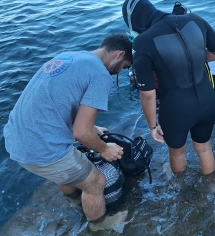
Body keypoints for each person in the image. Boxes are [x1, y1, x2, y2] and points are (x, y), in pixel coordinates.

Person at [3, 34, 132, 221]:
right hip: (40, 149)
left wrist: (92, 127)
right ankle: (99, 227)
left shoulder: (68, 56)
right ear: (119, 55)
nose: (119, 72)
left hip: (15, 137)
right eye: (124, 67)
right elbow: (80, 133)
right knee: (96, 182)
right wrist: (104, 149)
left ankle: (74, 202)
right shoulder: (100, 75)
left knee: (70, 169)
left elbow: (58, 102)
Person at [122, 0, 215, 176]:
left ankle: (179, 188)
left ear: (134, 21)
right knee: (204, 148)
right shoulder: (196, 19)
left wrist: (153, 126)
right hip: (207, 100)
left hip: (176, 108)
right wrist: (193, 62)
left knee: (177, 152)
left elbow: (147, 94)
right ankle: (211, 187)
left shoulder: (143, 41)